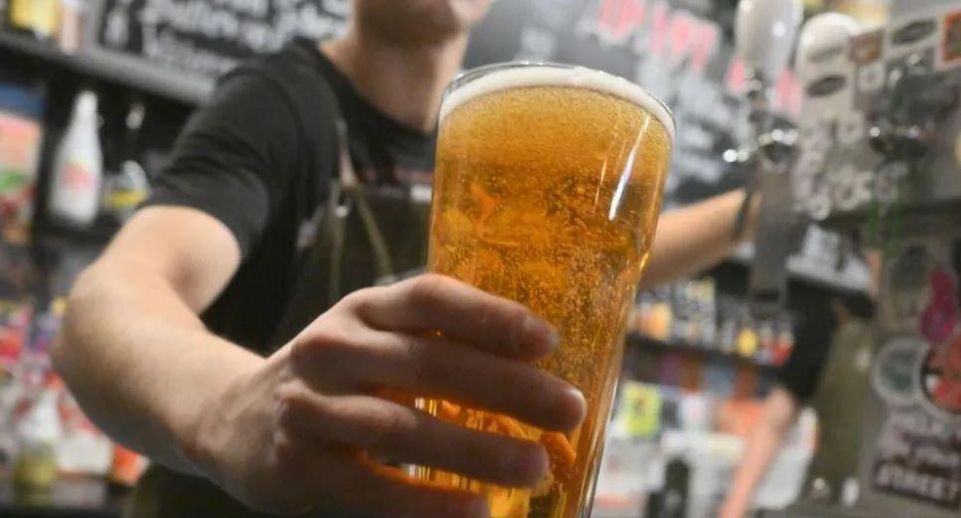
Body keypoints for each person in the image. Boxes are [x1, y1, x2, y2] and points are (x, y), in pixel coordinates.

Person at [53, 1, 757, 517]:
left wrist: (763, 208)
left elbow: (599, 263)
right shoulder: (279, 106)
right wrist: (227, 408)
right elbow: (105, 302)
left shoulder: (508, 150)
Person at [719, 288, 877, 518]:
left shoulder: (931, 331)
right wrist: (734, 509)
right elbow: (773, 424)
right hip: (826, 501)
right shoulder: (834, 321)